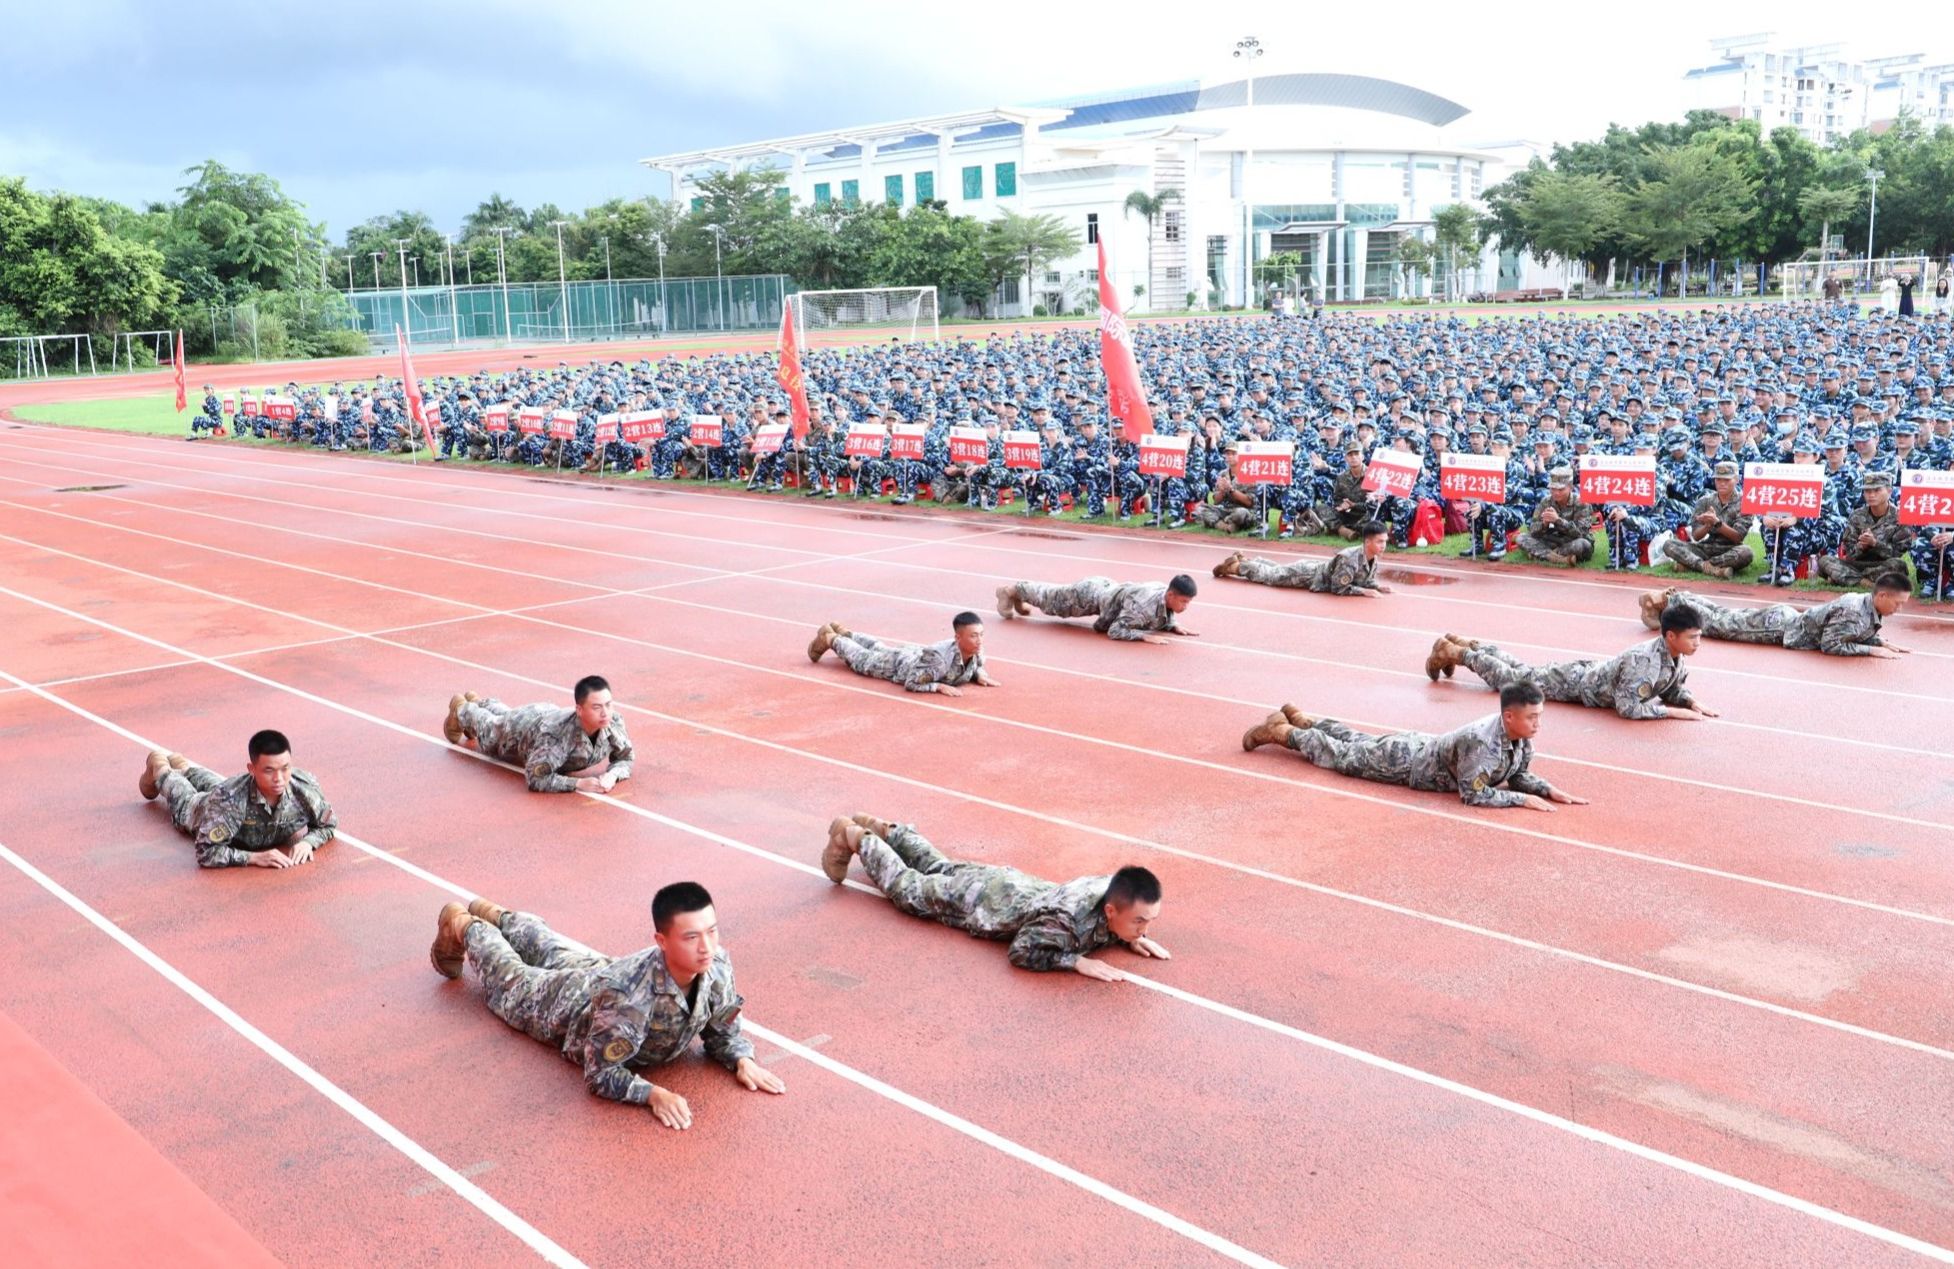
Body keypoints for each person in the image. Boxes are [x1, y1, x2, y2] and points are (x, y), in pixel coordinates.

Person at [428, 882, 784, 1130]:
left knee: (553, 949)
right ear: (661, 941)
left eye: (712, 932)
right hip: (568, 1003)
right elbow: (600, 1073)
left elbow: (722, 1028)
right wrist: (653, 1094)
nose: (706, 946)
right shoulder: (628, 998)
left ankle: (498, 916)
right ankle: (465, 925)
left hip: (604, 972)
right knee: (510, 979)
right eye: (691, 937)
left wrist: (742, 1060)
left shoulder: (717, 964)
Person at [819, 815, 1167, 980]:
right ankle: (856, 837)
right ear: (1111, 910)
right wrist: (1077, 962)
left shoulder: (1112, 887)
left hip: (1006, 882)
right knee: (908, 889)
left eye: (1149, 920)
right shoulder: (1064, 922)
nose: (1145, 928)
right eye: (1139, 921)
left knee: (940, 866)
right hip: (978, 900)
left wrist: (1130, 935)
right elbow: (1022, 951)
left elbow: (1112, 912)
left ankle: (889, 831)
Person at [1239, 684, 1588, 812]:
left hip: (1417, 748)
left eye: (1539, 716)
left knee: (1359, 741)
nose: (1538, 724)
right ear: (1509, 716)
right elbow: (1473, 794)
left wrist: (1546, 789)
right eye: (1532, 717)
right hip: (1405, 763)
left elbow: (1517, 774)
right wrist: (1521, 800)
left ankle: (1304, 719)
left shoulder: (1519, 737)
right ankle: (1283, 733)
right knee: (1343, 757)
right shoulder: (1483, 743)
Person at [1426, 603, 1716, 720]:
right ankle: (1456, 653)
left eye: (1699, 636)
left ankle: (1467, 644)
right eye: (1692, 637)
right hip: (1576, 684)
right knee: (1514, 683)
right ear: (1671, 636)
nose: (1697, 643)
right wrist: (1673, 713)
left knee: (1524, 672)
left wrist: (1689, 701)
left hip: (1584, 675)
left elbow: (1670, 688)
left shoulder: (1674, 655)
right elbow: (1628, 708)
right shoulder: (1645, 661)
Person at [138, 730, 336, 868]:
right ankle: (160, 767)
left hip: (228, 793)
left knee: (221, 786)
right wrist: (253, 858)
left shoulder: (305, 788)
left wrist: (308, 842)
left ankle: (184, 767)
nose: (279, 778)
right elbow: (207, 852)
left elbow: (328, 824)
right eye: (269, 770)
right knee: (186, 798)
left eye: (285, 768)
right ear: (252, 769)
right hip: (202, 810)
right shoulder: (229, 801)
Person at [443, 674, 634, 794]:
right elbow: (536, 778)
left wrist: (613, 775)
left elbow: (625, 757)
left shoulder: (614, 722)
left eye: (608, 705)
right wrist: (577, 784)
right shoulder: (556, 737)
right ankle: (462, 709)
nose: (605, 713)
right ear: (579, 710)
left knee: (504, 717)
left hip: (545, 714)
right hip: (524, 727)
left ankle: (481, 703)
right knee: (490, 734)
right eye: (597, 707)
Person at [1638, 575, 1911, 657]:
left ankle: (1676, 597)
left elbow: (1850, 633)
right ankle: (1668, 600)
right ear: (1882, 596)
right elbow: (1831, 644)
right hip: (1781, 628)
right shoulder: (1854, 611)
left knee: (1725, 616)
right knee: (1721, 624)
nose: (1898, 609)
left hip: (1786, 620)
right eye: (1897, 604)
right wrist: (1871, 650)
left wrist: (1878, 641)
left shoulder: (1864, 604)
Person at [806, 610, 999, 695]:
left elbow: (977, 664)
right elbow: (912, 683)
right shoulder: (939, 661)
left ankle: (846, 633)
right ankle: (831, 638)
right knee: (863, 660)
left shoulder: (977, 649)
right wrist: (938, 687)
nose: (979, 640)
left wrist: (980, 675)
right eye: (974, 636)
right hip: (900, 665)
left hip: (913, 654)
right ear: (958, 638)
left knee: (880, 648)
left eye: (981, 634)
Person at [994, 573, 1199, 643]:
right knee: (1051, 602)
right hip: (1089, 595)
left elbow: (1161, 610)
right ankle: (1010, 590)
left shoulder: (1164, 593)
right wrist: (1144, 637)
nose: (1186, 606)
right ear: (1170, 595)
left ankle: (1019, 595)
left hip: (1105, 589)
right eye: (1183, 601)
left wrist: (1172, 624)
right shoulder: (1143, 605)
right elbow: (1114, 630)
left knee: (1051, 599)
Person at [1211, 520, 1393, 596]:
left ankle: (1246, 561)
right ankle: (1236, 567)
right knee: (1272, 577)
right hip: (1309, 576)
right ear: (1367, 542)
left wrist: (1376, 586)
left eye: (1385, 541)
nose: (1383, 545)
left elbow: (1362, 578)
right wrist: (1364, 592)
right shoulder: (1350, 559)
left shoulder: (1371, 556)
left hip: (1314, 571)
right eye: (1380, 541)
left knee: (1278, 570)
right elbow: (1338, 587)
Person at [1661, 462, 1755, 578]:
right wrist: (1707, 526)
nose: (1722, 483)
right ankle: (1709, 568)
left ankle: (1692, 565)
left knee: (1746, 553)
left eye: (1727, 480)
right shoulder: (1705, 501)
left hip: (1729, 549)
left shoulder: (1745, 503)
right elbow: (1696, 536)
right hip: (1706, 547)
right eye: (1718, 479)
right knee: (1669, 544)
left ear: (1736, 479)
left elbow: (1738, 537)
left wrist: (1717, 523)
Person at [1818, 473, 1913, 587]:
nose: (1871, 495)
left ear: (1889, 491)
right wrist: (1861, 546)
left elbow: (1897, 553)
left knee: (1898, 565)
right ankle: (1865, 582)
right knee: (1825, 560)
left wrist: (1875, 544)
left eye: (1877, 490)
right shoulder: (1856, 515)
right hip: (1856, 564)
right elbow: (1849, 554)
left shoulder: (1900, 517)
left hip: (1882, 564)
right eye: (1867, 491)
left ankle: (1844, 578)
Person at [1515, 467, 1595, 565]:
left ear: (1570, 487)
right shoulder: (1546, 502)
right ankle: (1558, 558)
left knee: (1583, 545)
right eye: (1553, 489)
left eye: (1561, 489)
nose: (1556, 493)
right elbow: (1532, 530)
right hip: (1551, 540)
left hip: (1571, 541)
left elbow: (1581, 533)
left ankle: (1540, 554)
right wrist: (1544, 525)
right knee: (1521, 538)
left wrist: (1558, 520)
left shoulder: (1582, 503)